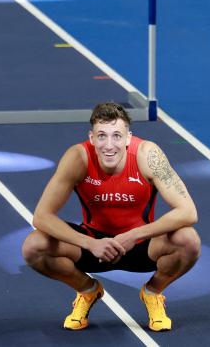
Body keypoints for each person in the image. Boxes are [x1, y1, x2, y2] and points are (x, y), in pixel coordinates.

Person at [22, 102, 200, 332]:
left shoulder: (148, 156)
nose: (109, 145)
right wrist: (90, 243)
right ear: (92, 138)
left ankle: (153, 292)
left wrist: (133, 235)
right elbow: (42, 217)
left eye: (117, 136)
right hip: (93, 244)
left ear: (128, 138)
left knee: (189, 240)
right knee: (34, 246)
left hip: (141, 245)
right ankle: (87, 290)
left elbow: (188, 211)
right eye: (102, 136)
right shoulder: (78, 157)